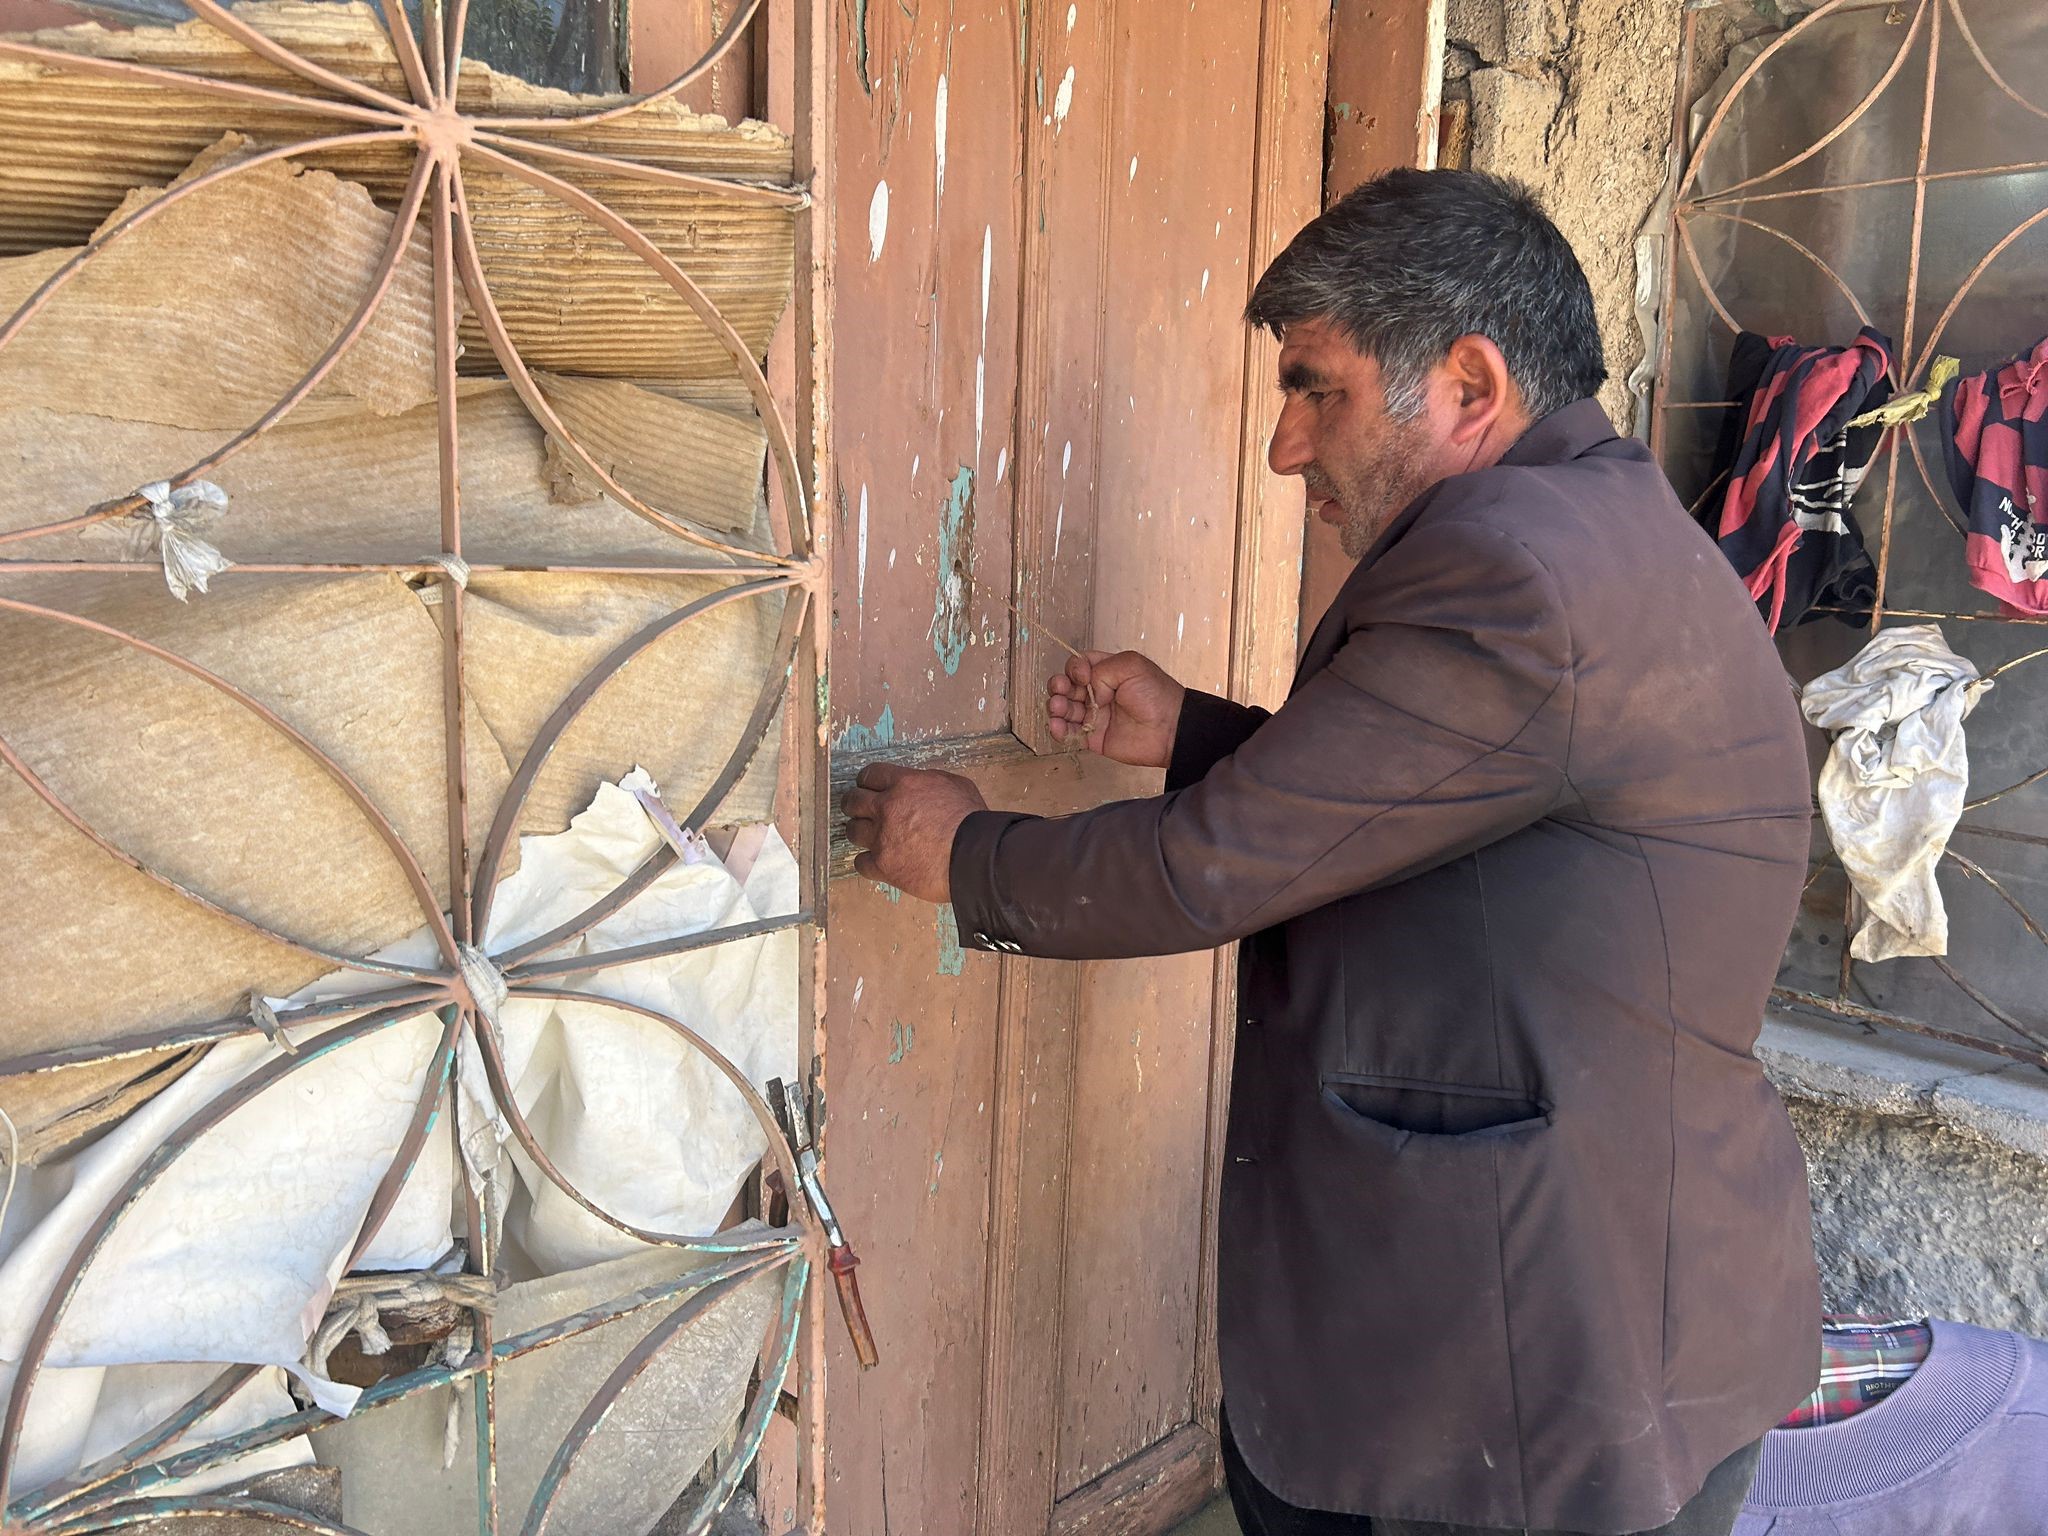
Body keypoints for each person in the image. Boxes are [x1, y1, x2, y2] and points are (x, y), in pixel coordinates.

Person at [843, 169, 1820, 1536]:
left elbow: (1217, 867)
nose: (1287, 449)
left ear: (1469, 387)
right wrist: (1196, 732)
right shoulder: (1597, 526)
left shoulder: (1514, 569)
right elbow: (1449, 803)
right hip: (1605, 1323)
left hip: (1524, 1383)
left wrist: (969, 859)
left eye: (1322, 392)